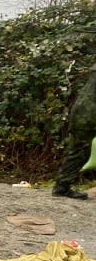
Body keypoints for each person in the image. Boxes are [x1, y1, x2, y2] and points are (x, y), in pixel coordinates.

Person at [52, 64, 96, 200]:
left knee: (78, 151)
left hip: (82, 113)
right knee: (80, 152)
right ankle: (62, 186)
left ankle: (62, 185)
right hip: (88, 116)